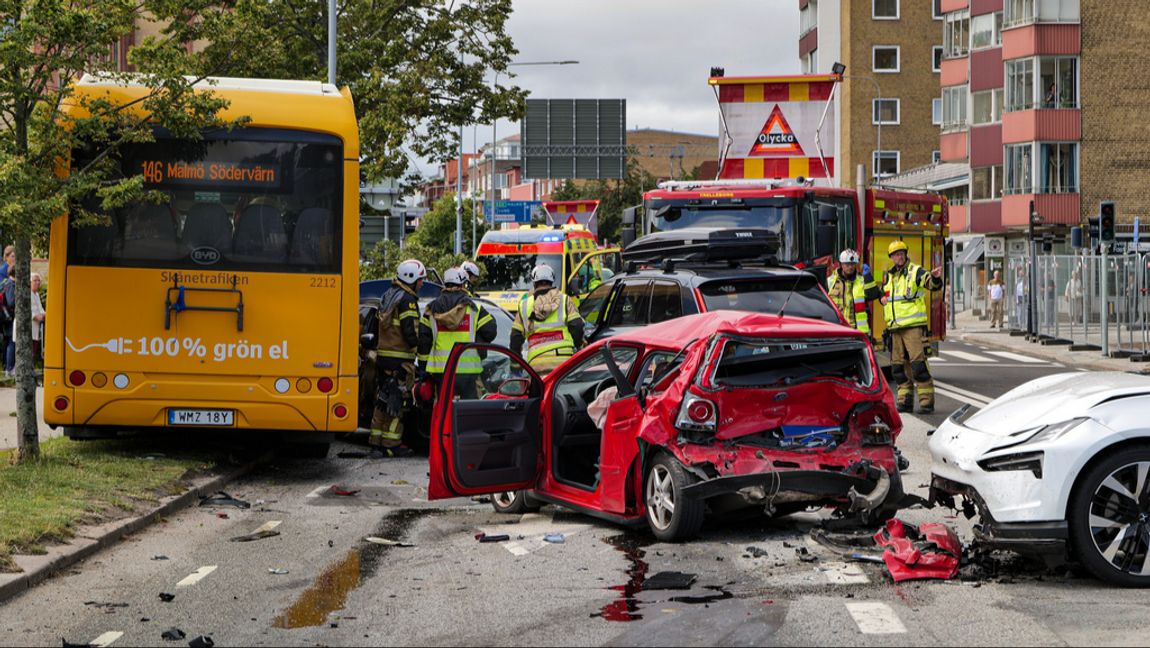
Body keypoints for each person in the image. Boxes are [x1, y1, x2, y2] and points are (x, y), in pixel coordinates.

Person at [360, 259, 425, 458]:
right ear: (412, 278)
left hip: (383, 360)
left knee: (382, 402)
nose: (422, 283)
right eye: (421, 279)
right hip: (401, 362)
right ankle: (392, 444)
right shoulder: (407, 300)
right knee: (399, 405)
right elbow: (410, 331)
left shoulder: (388, 296)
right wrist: (420, 347)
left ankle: (376, 443)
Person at [881, 241, 943, 414]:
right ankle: (905, 402)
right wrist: (881, 299)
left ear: (905, 254)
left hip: (913, 328)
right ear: (891, 257)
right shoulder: (889, 276)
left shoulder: (916, 271)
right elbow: (884, 296)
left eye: (902, 253)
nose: (899, 257)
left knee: (918, 366)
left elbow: (931, 283)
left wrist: (936, 278)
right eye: (896, 254)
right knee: (898, 368)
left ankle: (926, 403)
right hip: (895, 329)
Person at [418, 267, 497, 399]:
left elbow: (423, 342)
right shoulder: (473, 308)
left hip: (441, 372)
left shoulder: (431, 310)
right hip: (468, 372)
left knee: (445, 413)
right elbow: (490, 332)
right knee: (468, 414)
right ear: (462, 284)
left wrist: (423, 370)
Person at [511, 264, 585, 375]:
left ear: (534, 283)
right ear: (552, 281)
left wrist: (515, 366)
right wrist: (580, 346)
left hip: (536, 363)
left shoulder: (524, 305)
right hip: (563, 362)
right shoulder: (564, 300)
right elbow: (577, 326)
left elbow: (515, 338)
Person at [826, 249, 880, 336]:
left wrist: (868, 277)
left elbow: (873, 295)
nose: (850, 267)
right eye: (847, 264)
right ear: (841, 264)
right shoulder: (830, 281)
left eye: (852, 264)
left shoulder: (862, 281)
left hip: (856, 330)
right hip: (836, 328)